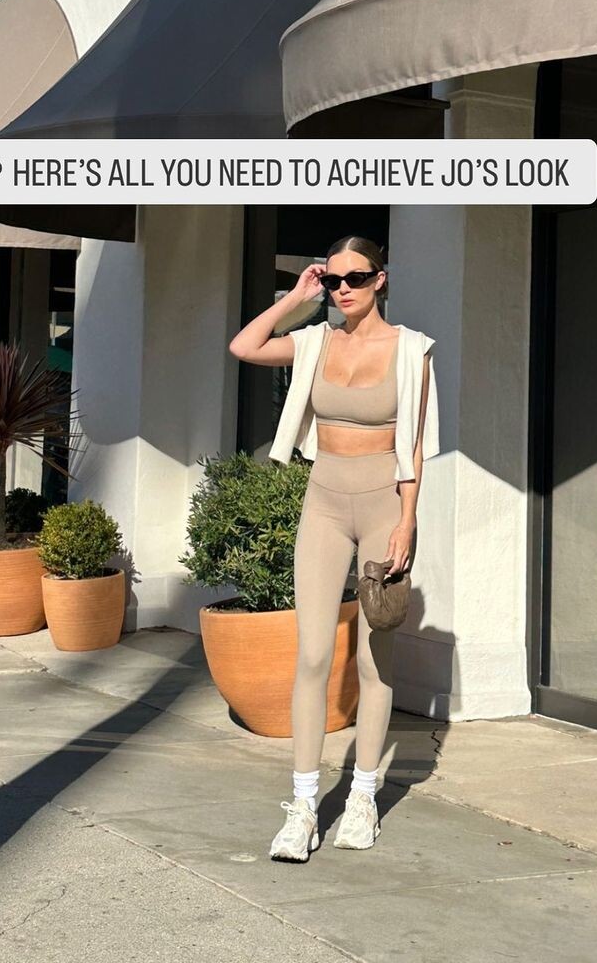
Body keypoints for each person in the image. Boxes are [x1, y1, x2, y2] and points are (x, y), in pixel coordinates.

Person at [228, 234, 438, 861]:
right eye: (334, 279)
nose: (344, 289)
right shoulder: (315, 341)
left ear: (381, 280)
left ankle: (363, 796)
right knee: (314, 654)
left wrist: (406, 523)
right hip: (322, 500)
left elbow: (413, 447)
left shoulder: (411, 351)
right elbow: (245, 346)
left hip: (382, 505)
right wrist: (297, 297)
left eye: (356, 277)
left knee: (374, 658)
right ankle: (302, 807)